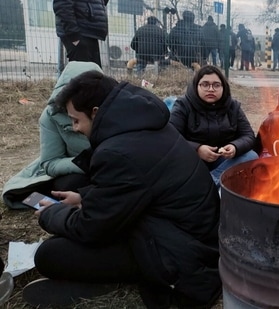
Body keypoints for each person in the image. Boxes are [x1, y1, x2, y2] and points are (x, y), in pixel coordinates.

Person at [21, 71, 221, 308]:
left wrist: (51, 215)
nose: (74, 128)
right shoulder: (143, 123)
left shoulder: (118, 152)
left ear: (95, 112)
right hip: (183, 228)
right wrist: (84, 197)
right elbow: (133, 187)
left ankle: (110, 279)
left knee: (49, 254)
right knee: (72, 185)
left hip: (179, 250)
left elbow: (91, 227)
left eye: (76, 120)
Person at [2, 62, 101, 210]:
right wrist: (86, 163)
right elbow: (50, 162)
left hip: (113, 167)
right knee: (68, 185)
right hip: (78, 170)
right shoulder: (51, 115)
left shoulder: (115, 109)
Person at [169, 65, 258, 188]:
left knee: (251, 156)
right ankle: (216, 185)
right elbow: (170, 137)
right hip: (192, 161)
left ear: (223, 87)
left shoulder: (233, 106)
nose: (211, 89)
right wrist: (197, 149)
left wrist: (234, 147)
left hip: (223, 162)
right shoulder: (183, 105)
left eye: (216, 85)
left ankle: (210, 183)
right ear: (196, 86)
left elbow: (248, 135)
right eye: (205, 84)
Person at [53, 0, 108, 67]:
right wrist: (73, 36)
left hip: (89, 30)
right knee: (83, 72)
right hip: (78, 32)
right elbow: (62, 5)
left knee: (92, 73)